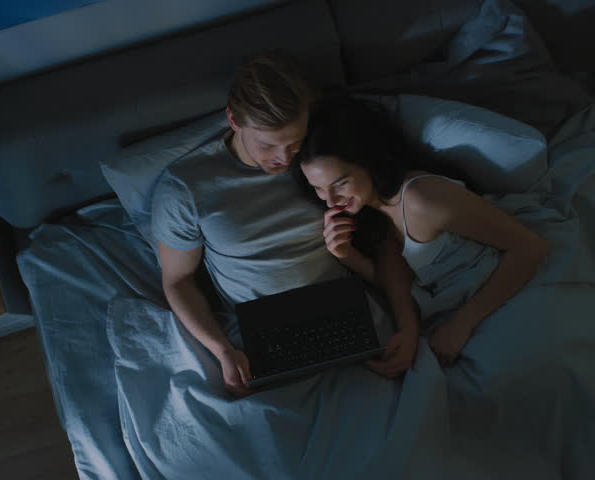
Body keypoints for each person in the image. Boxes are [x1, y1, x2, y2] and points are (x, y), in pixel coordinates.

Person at [151, 52, 419, 397]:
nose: (283, 158)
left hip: (344, 303)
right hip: (259, 325)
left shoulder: (319, 157)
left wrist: (408, 326)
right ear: (234, 119)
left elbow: (385, 237)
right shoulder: (186, 187)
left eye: (294, 141)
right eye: (268, 145)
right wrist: (221, 350)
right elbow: (177, 280)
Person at [291, 95, 549, 366]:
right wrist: (347, 256)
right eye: (319, 189)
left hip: (507, 289)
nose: (330, 201)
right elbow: (397, 281)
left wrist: (462, 324)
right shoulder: (376, 212)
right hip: (461, 307)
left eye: (340, 183)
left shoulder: (420, 197)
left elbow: (531, 247)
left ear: (368, 162)